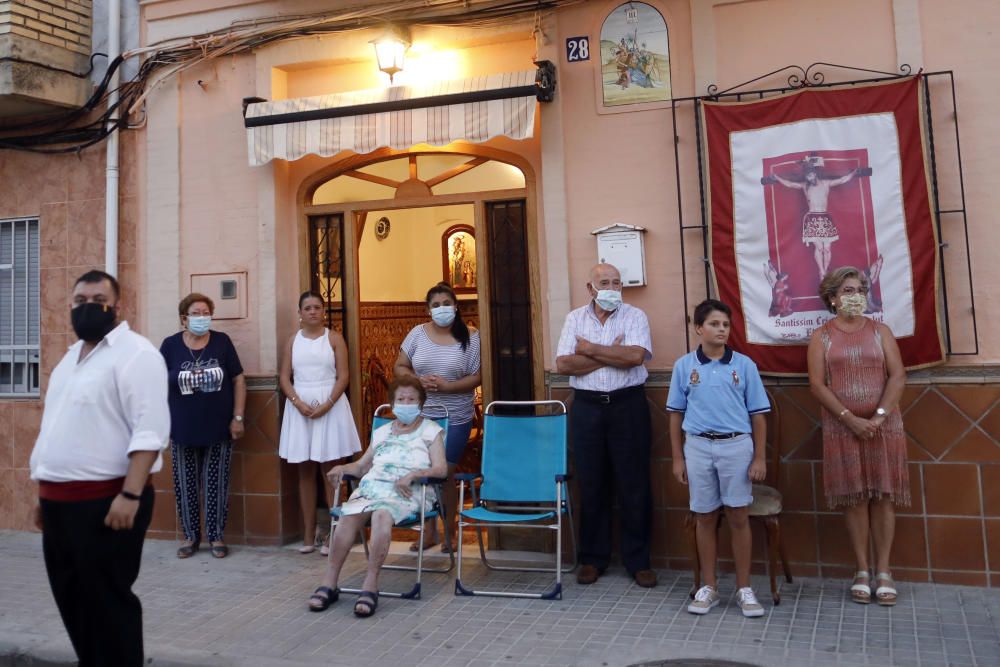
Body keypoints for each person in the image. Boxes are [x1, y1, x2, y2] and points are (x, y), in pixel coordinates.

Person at [30, 269, 170, 666]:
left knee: (109, 603)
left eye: (97, 300)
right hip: (58, 503)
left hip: (108, 504)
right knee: (73, 601)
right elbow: (55, 426)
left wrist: (130, 494)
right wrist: (43, 492)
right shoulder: (70, 359)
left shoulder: (137, 354)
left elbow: (150, 430)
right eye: (79, 301)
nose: (87, 308)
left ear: (116, 306)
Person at [807, 266, 908, 606]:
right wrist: (850, 419)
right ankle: (862, 570)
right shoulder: (822, 336)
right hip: (842, 428)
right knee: (854, 497)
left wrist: (878, 418)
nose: (854, 296)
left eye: (859, 290)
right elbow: (818, 385)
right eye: (847, 291)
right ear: (832, 298)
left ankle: (884, 570)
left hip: (883, 428)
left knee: (882, 495)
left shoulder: (881, 331)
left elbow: (897, 377)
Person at [308, 376, 447, 617]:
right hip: (372, 488)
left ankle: (370, 585)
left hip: (407, 491)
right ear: (392, 404)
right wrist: (342, 468)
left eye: (411, 399)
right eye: (400, 399)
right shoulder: (382, 432)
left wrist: (414, 474)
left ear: (420, 403)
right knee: (348, 516)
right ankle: (330, 583)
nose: (406, 403)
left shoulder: (431, 431)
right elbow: (362, 467)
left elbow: (441, 469)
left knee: (382, 515)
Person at [555, 263, 657, 588]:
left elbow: (636, 357)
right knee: (591, 482)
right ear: (591, 288)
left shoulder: (635, 316)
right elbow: (563, 364)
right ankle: (592, 559)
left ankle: (638, 560)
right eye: (605, 282)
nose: (612, 287)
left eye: (616, 282)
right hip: (587, 409)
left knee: (634, 484)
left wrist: (590, 349)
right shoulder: (574, 319)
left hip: (628, 406)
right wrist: (614, 351)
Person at [667, 299, 770, 617]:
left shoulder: (744, 366)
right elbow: (675, 414)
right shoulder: (685, 366)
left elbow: (758, 416)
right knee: (705, 517)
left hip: (736, 447)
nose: (721, 330)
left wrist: (759, 458)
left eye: (725, 325)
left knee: (739, 516)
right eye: (714, 324)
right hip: (698, 447)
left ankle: (744, 588)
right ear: (699, 328)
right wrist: (677, 459)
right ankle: (708, 587)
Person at [394, 282, 481, 553]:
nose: (442, 309)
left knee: (445, 472)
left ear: (455, 306)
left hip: (455, 417)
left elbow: (478, 376)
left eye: (446, 303)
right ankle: (428, 531)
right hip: (422, 416)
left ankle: (450, 533)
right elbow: (400, 366)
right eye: (436, 305)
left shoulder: (471, 336)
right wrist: (417, 380)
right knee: (422, 472)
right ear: (427, 309)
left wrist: (449, 387)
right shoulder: (417, 335)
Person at [159, 292, 246, 559]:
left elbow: (238, 380)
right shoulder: (170, 346)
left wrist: (238, 417)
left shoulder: (222, 342)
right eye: (196, 313)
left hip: (219, 427)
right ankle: (190, 536)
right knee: (185, 484)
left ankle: (216, 535)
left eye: (206, 312)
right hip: (183, 428)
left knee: (216, 483)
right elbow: (157, 383)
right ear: (184, 318)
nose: (202, 317)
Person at [279, 291, 362, 554]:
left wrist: (327, 403)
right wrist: (297, 402)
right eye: (307, 307)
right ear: (300, 313)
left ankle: (335, 532)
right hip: (300, 407)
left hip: (331, 405)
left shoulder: (334, 338)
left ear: (324, 311)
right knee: (304, 470)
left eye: (317, 307)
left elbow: (344, 376)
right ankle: (308, 533)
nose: (313, 311)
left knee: (330, 470)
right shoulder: (293, 341)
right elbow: (284, 377)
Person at [762, 160, 870, 280]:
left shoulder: (825, 183)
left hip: (824, 218)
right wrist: (777, 177)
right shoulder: (804, 186)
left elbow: (842, 180)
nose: (810, 177)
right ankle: (822, 272)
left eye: (811, 174)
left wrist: (854, 173)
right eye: (807, 176)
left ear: (815, 173)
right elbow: (790, 184)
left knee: (827, 248)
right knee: (819, 248)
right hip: (812, 219)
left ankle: (825, 270)